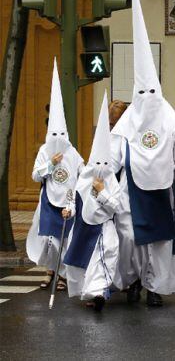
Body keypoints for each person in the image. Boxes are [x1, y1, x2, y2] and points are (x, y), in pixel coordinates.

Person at [111, 0, 175, 307]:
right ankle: (132, 280)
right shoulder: (125, 125)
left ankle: (155, 287)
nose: (147, 98)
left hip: (164, 192)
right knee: (131, 239)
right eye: (141, 93)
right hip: (131, 191)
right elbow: (113, 157)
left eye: (152, 92)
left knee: (160, 242)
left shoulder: (173, 124)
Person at [27, 60, 83, 292]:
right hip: (49, 201)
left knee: (66, 239)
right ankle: (49, 270)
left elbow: (82, 174)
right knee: (50, 239)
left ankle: (63, 275)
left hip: (68, 202)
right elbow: (35, 175)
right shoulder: (44, 151)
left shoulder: (73, 152)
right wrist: (50, 164)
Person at [63, 92, 120, 312]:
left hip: (104, 227)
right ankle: (90, 291)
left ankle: (99, 292)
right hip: (83, 226)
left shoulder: (110, 180)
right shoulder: (84, 176)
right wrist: (68, 209)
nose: (100, 167)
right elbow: (72, 195)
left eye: (104, 163)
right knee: (85, 261)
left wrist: (102, 191)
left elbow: (116, 205)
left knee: (105, 257)